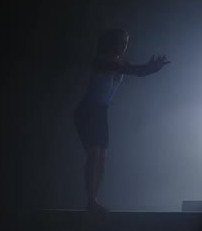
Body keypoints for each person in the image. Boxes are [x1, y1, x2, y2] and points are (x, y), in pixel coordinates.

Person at [73, 28, 170, 212]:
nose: (124, 46)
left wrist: (153, 69)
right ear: (110, 42)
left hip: (101, 111)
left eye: (126, 43)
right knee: (94, 154)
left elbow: (136, 71)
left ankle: (94, 199)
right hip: (88, 110)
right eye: (120, 42)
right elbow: (131, 70)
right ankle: (91, 200)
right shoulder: (101, 59)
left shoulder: (120, 61)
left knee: (102, 157)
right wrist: (147, 68)